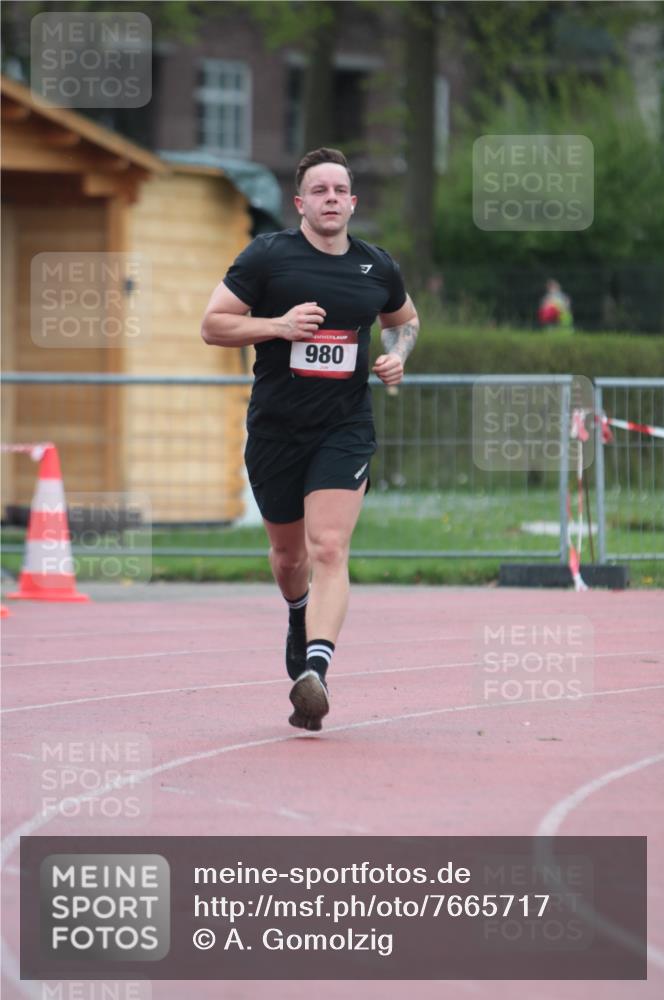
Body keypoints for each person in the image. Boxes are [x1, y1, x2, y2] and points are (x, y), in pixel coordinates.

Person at [201, 147, 419, 732]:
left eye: (338, 190)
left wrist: (397, 356)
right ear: (301, 202)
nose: (329, 199)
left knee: (328, 547)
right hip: (275, 428)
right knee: (289, 555)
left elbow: (406, 321)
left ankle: (316, 673)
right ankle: (298, 615)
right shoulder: (268, 256)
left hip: (343, 427)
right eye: (318, 191)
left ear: (353, 201)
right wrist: (277, 325)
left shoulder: (377, 266)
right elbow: (213, 324)